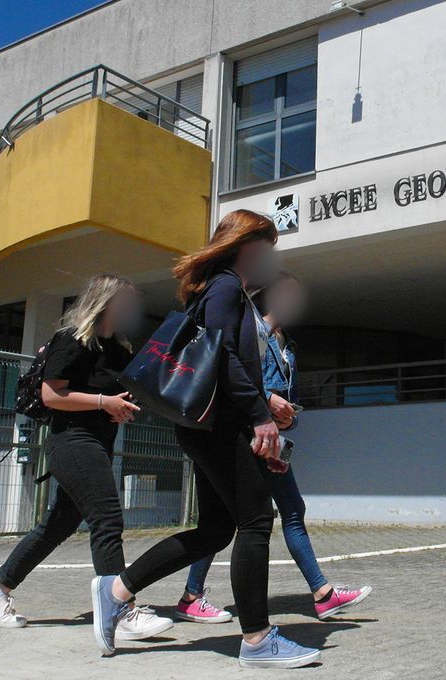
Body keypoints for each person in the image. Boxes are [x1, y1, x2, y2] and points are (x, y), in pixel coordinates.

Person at [89, 210, 321, 669]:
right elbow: (223, 354)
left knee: (216, 529)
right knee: (256, 520)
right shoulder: (226, 286)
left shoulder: (222, 288)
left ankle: (116, 590)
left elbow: (226, 361)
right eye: (266, 248)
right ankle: (257, 638)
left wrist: (261, 413)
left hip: (212, 426)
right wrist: (260, 417)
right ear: (245, 246)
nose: (270, 258)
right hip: (219, 427)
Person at [0, 273, 172, 642]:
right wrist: (103, 402)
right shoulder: (73, 339)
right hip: (72, 441)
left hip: (98, 441)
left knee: (58, 525)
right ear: (106, 301)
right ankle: (120, 610)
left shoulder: (119, 348)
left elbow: (118, 396)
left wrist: (121, 408)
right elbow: (51, 395)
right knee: (107, 518)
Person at [176, 271, 372, 625]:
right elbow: (235, 377)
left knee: (230, 519)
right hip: (247, 435)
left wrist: (287, 418)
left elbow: (286, 400)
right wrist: (267, 402)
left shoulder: (287, 345)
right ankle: (321, 595)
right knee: (272, 513)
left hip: (268, 436)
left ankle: (192, 595)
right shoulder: (253, 331)